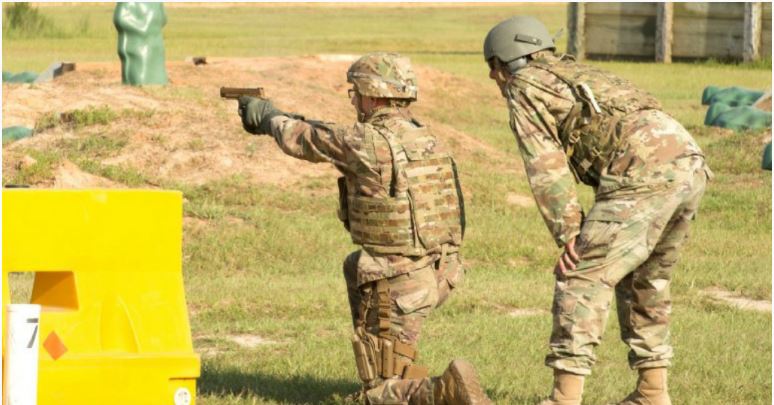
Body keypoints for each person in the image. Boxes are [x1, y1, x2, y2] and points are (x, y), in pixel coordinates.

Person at [237, 52, 491, 405]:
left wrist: (266, 118)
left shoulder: (365, 142)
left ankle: (445, 391)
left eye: (355, 92)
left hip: (397, 280)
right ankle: (400, 377)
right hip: (440, 271)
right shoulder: (428, 138)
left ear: (372, 95)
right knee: (355, 266)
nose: (353, 99)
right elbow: (331, 134)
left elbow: (302, 138)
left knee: (379, 395)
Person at [483, 16, 712, 405]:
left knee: (581, 276)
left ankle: (563, 399)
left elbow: (545, 162)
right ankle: (652, 393)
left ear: (505, 62)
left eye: (494, 70)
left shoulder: (525, 85)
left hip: (642, 171)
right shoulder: (575, 71)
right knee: (646, 279)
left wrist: (569, 233)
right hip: (688, 161)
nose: (495, 80)